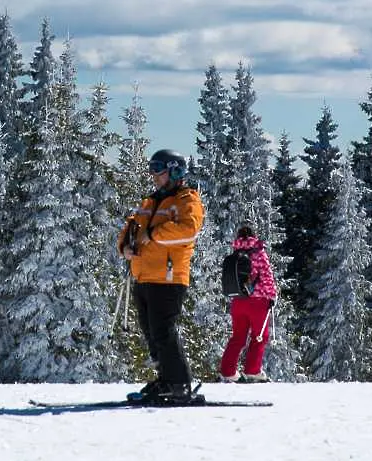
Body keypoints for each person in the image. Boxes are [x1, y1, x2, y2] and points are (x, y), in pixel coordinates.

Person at [118, 149, 205, 402]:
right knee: (152, 333)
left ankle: (179, 384)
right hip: (144, 275)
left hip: (168, 278)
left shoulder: (186, 200)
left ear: (175, 171)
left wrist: (154, 234)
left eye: (159, 170)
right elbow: (131, 227)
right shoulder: (149, 201)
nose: (154, 175)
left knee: (163, 331)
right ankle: (165, 380)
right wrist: (124, 247)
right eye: (152, 169)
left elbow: (189, 230)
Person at [219, 223, 278, 383]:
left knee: (238, 337)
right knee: (260, 336)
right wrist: (272, 296)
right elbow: (267, 276)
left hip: (238, 301)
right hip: (257, 302)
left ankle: (227, 372)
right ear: (254, 236)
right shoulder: (258, 252)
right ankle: (252, 371)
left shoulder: (236, 253)